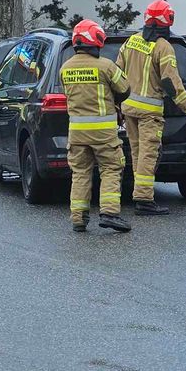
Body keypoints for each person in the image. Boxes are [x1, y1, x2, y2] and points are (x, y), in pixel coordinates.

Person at [115, 0, 186, 215]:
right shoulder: (164, 47)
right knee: (148, 153)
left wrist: (117, 104)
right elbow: (172, 84)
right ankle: (144, 199)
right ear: (166, 20)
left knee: (136, 152)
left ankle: (138, 194)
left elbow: (117, 74)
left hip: (129, 109)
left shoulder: (131, 41)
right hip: (149, 112)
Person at [61, 19, 132, 233]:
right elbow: (125, 88)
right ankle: (109, 213)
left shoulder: (65, 68)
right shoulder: (106, 66)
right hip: (103, 133)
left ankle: (78, 219)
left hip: (77, 133)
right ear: (96, 40)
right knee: (111, 168)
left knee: (80, 172)